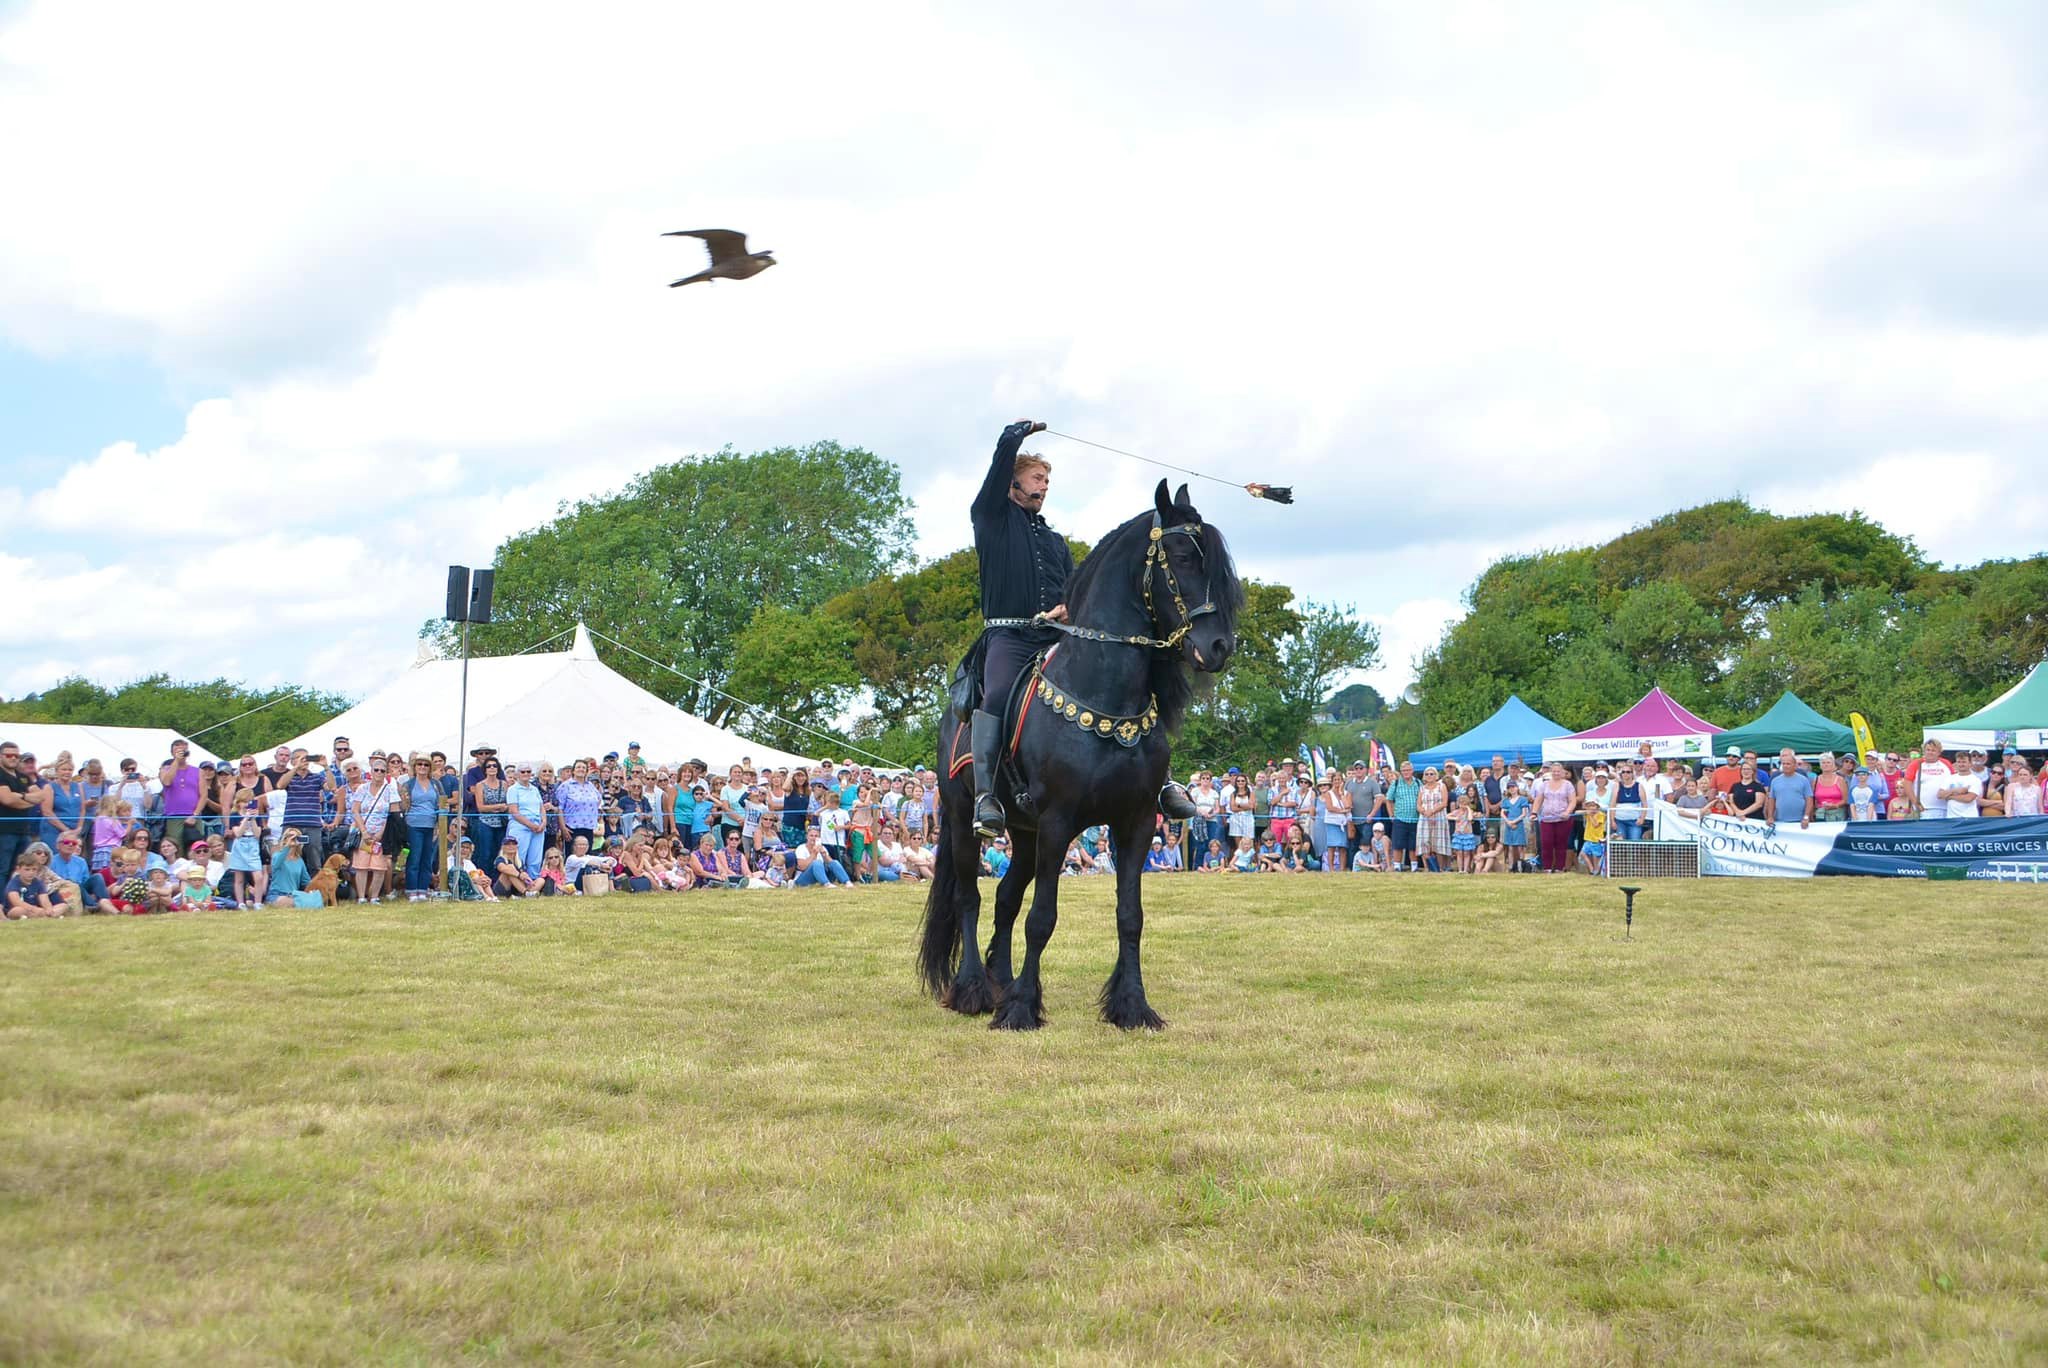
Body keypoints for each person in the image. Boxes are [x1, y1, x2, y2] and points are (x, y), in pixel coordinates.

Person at [966, 418, 1196, 834]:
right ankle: (986, 796)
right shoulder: (991, 518)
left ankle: (1160, 781)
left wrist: (1067, 610)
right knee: (998, 692)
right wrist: (1014, 437)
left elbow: (1074, 592)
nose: (1045, 485)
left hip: (1057, 636)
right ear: (1014, 482)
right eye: (1038, 477)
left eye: (1048, 479)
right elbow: (998, 468)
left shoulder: (1054, 541)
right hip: (1009, 636)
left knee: (1129, 679)